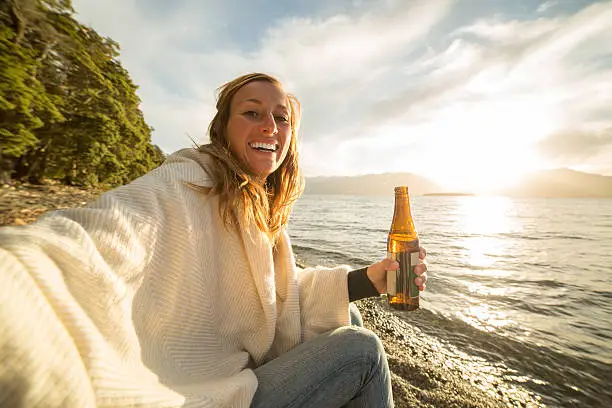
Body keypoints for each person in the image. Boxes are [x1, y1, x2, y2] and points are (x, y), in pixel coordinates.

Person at [0, 73, 428, 408]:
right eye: (253, 112)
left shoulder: (256, 204)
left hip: (229, 367)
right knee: (362, 351)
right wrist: (18, 272)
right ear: (222, 127)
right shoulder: (187, 179)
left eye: (282, 118)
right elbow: (109, 230)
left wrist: (370, 281)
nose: (271, 126)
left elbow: (280, 291)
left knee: (349, 321)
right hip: (198, 391)